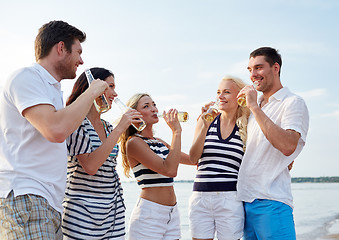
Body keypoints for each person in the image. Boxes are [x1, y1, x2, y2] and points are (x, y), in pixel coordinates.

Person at [0, 21, 108, 239]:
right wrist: (90, 92)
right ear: (60, 48)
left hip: (48, 204)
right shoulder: (26, 77)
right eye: (78, 52)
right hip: (27, 197)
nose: (81, 60)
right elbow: (56, 130)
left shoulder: (52, 91)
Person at [236, 47, 309, 240]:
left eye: (259, 68)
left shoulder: (292, 102)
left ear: (275, 67)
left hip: (272, 201)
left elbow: (287, 146)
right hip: (245, 201)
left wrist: (253, 107)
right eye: (250, 69)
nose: (253, 75)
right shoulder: (256, 107)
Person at [62, 68, 143, 239]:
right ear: (95, 88)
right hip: (82, 215)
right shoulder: (77, 123)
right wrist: (121, 127)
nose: (115, 93)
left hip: (113, 213)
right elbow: (91, 166)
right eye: (110, 86)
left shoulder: (108, 127)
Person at [119, 93, 192, 240]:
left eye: (154, 104)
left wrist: (204, 124)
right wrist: (176, 132)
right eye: (146, 106)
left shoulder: (159, 142)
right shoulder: (134, 142)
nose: (153, 109)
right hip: (149, 216)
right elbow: (169, 170)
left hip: (172, 213)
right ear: (135, 115)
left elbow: (193, 160)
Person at [188, 76, 250, 240]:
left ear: (240, 97)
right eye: (218, 92)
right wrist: (204, 127)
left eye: (227, 92)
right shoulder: (206, 120)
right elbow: (193, 157)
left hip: (230, 198)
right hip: (200, 197)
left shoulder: (247, 125)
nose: (220, 97)